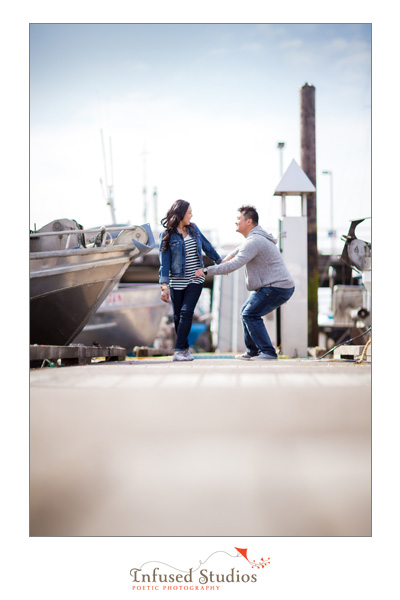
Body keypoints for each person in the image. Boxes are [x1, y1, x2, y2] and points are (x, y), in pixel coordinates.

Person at [195, 205, 295, 360]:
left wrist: (207, 270)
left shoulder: (254, 241)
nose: (235, 222)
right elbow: (235, 252)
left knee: (250, 314)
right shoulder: (254, 238)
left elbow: (234, 265)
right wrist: (223, 260)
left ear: (249, 222)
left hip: (276, 287)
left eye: (238, 219)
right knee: (246, 312)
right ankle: (253, 351)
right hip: (277, 286)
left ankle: (268, 352)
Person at [159, 199, 222, 361]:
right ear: (181, 214)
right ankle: (185, 349)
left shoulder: (194, 229)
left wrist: (221, 264)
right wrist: (164, 285)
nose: (191, 215)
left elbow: (207, 247)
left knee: (187, 312)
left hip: (196, 278)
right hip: (177, 280)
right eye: (189, 212)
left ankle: (179, 351)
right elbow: (164, 262)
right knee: (178, 316)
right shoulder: (167, 235)